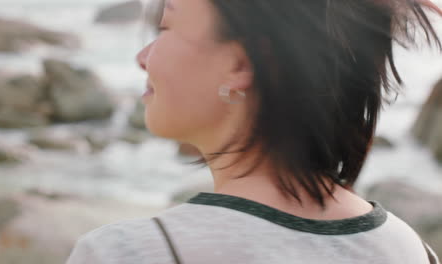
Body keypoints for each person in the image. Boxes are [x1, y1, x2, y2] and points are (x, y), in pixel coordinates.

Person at [66, 0, 442, 263]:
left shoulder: (130, 253)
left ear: (241, 63)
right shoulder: (409, 250)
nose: (143, 56)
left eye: (166, 26)